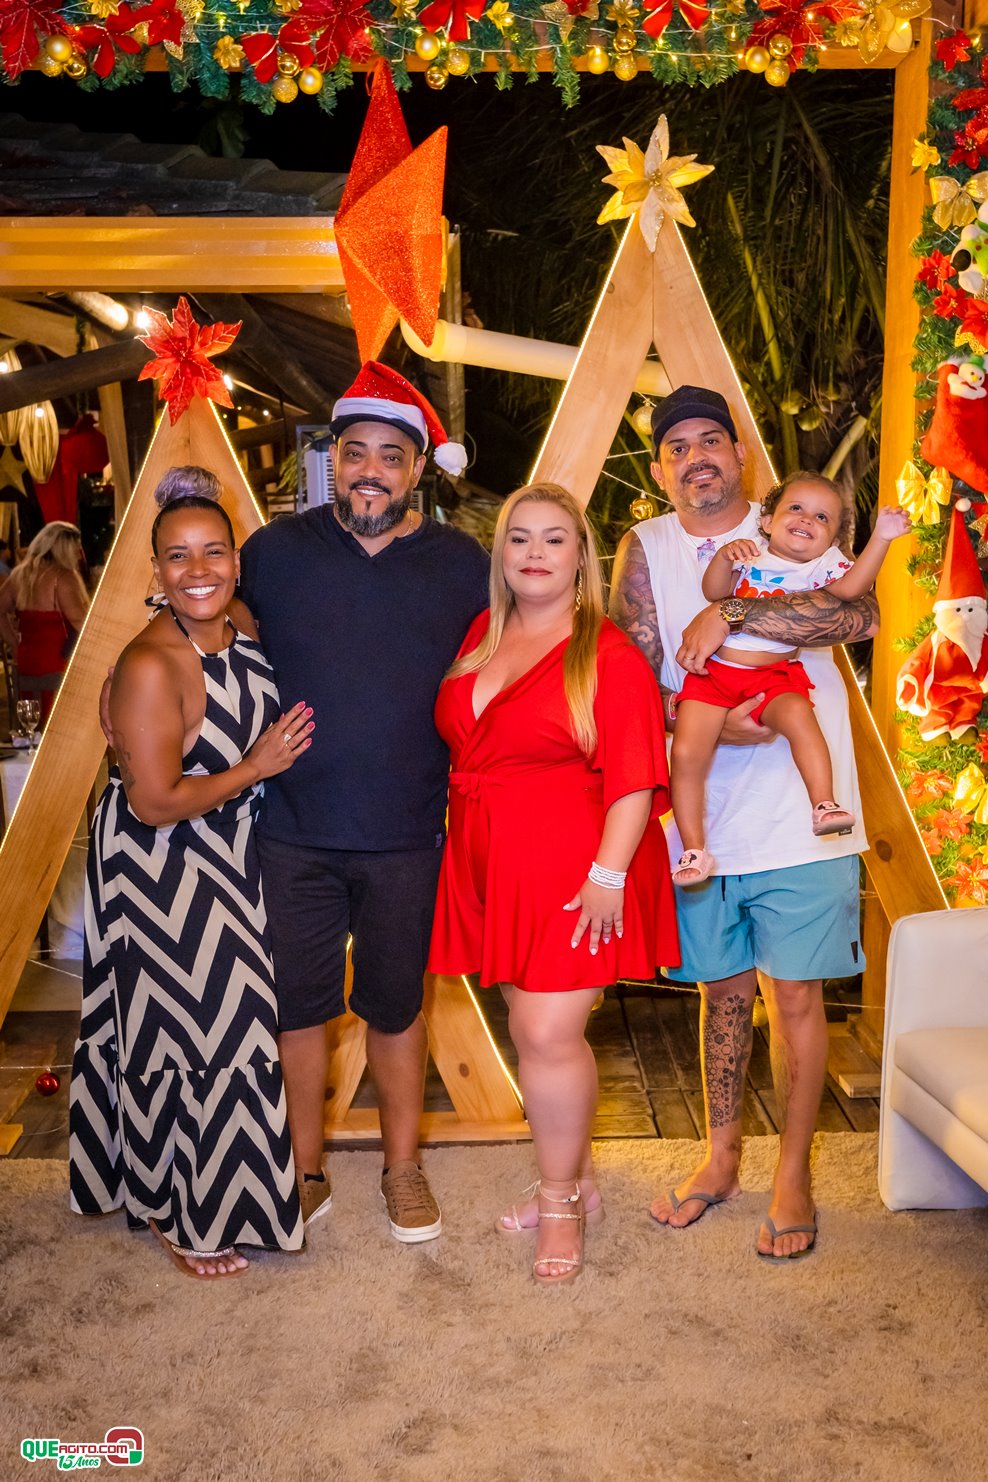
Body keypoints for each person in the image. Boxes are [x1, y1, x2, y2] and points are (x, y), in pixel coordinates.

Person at [609, 384, 877, 1261]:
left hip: (804, 815)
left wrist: (728, 610)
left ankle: (794, 1173)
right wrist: (716, 722)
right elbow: (634, 671)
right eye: (677, 447)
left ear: (741, 456)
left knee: (795, 995)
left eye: (711, 441)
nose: (696, 457)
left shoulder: (799, 528)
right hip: (703, 820)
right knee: (721, 993)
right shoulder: (646, 548)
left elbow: (856, 614)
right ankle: (721, 1159)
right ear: (661, 469)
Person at [235, 362, 490, 1243]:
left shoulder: (461, 565)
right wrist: (127, 684)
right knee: (299, 1009)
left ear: (418, 469)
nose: (370, 471)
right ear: (332, 461)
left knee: (397, 1008)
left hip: (407, 834)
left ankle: (401, 1169)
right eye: (355, 454)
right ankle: (304, 1172)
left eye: (390, 456)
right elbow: (205, 623)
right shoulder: (273, 553)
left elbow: (520, 649)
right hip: (292, 832)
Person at [428, 483, 679, 1284]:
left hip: (575, 865)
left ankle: (562, 1202)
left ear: (580, 557)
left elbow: (637, 778)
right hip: (489, 857)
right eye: (520, 538)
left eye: (554, 539)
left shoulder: (607, 654)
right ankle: (578, 1179)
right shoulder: (481, 633)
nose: (534, 553)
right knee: (528, 1025)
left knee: (545, 1034)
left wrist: (608, 875)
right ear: (501, 554)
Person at [70, 467, 312, 1279]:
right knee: (201, 1028)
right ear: (156, 570)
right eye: (178, 556)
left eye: (213, 551)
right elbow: (153, 802)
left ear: (237, 561)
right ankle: (181, 1210)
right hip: (160, 863)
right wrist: (257, 767)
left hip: (229, 849)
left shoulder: (235, 620)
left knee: (228, 1026)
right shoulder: (150, 663)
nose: (198, 569)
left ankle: (212, 1194)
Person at [670, 472, 911, 884]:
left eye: (822, 517)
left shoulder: (823, 566)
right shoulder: (750, 552)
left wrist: (882, 538)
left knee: (801, 717)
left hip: (773, 677)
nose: (806, 519)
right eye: (796, 508)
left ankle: (824, 804)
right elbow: (714, 593)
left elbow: (853, 590)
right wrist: (724, 558)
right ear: (767, 521)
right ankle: (694, 850)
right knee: (687, 754)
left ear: (833, 539)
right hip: (714, 675)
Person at [0, 520, 89, 722]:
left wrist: (13, 643)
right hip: (58, 661)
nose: (79, 554)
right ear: (63, 549)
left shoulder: (20, 575)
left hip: (27, 661)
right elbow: (80, 621)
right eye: (76, 548)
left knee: (32, 721)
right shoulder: (64, 577)